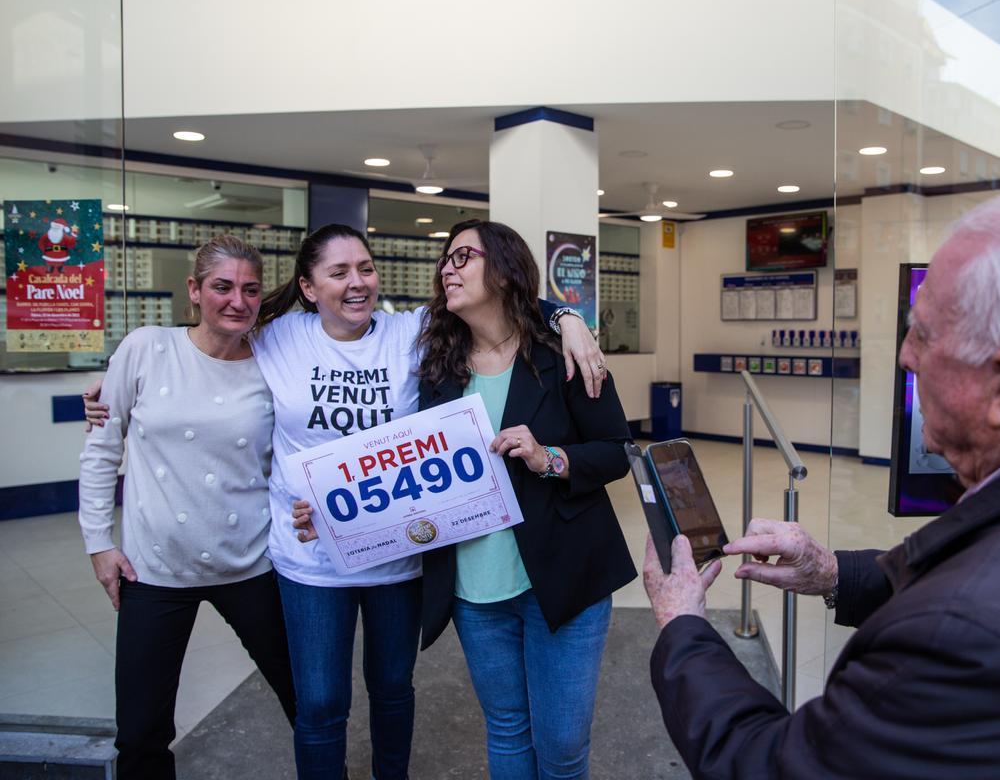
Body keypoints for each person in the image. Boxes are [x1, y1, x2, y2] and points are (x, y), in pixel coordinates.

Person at [642, 189, 1000, 778]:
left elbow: (768, 767)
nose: (905, 356)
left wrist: (683, 626)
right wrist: (835, 573)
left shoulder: (958, 643)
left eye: (924, 334)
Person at [87, 222, 606, 780]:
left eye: (365, 268)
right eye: (338, 273)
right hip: (310, 561)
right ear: (309, 288)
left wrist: (568, 318)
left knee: (391, 691)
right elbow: (206, 345)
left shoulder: (413, 331)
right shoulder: (276, 335)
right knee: (319, 706)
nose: (356, 283)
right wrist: (112, 385)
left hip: (397, 557)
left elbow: (498, 300)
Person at [294, 219, 636, 779]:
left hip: (564, 575)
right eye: (445, 260)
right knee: (505, 731)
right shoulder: (436, 364)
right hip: (476, 588)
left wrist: (549, 456)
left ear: (502, 268)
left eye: (462, 257)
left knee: (563, 746)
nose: (447, 269)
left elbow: (616, 452)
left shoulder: (561, 354)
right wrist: (330, 508)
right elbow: (399, 466)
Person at [78, 235, 296, 780]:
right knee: (141, 730)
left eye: (250, 289)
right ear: (195, 291)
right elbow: (103, 451)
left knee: (307, 701)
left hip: (252, 562)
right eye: (222, 287)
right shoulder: (147, 347)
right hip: (153, 570)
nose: (237, 301)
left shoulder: (274, 364)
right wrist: (99, 543)